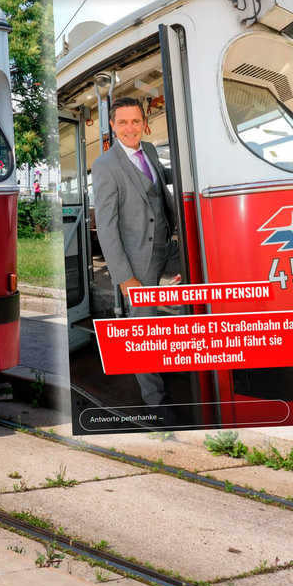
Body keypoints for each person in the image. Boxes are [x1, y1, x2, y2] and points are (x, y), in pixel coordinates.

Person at [90, 96, 180, 406]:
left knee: (206, 274)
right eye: (123, 122)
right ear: (113, 126)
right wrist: (124, 277)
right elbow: (106, 226)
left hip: (167, 244)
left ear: (144, 124)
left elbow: (159, 185)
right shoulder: (104, 166)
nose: (131, 128)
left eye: (136, 121)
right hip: (137, 256)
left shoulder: (151, 150)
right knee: (143, 324)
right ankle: (155, 400)